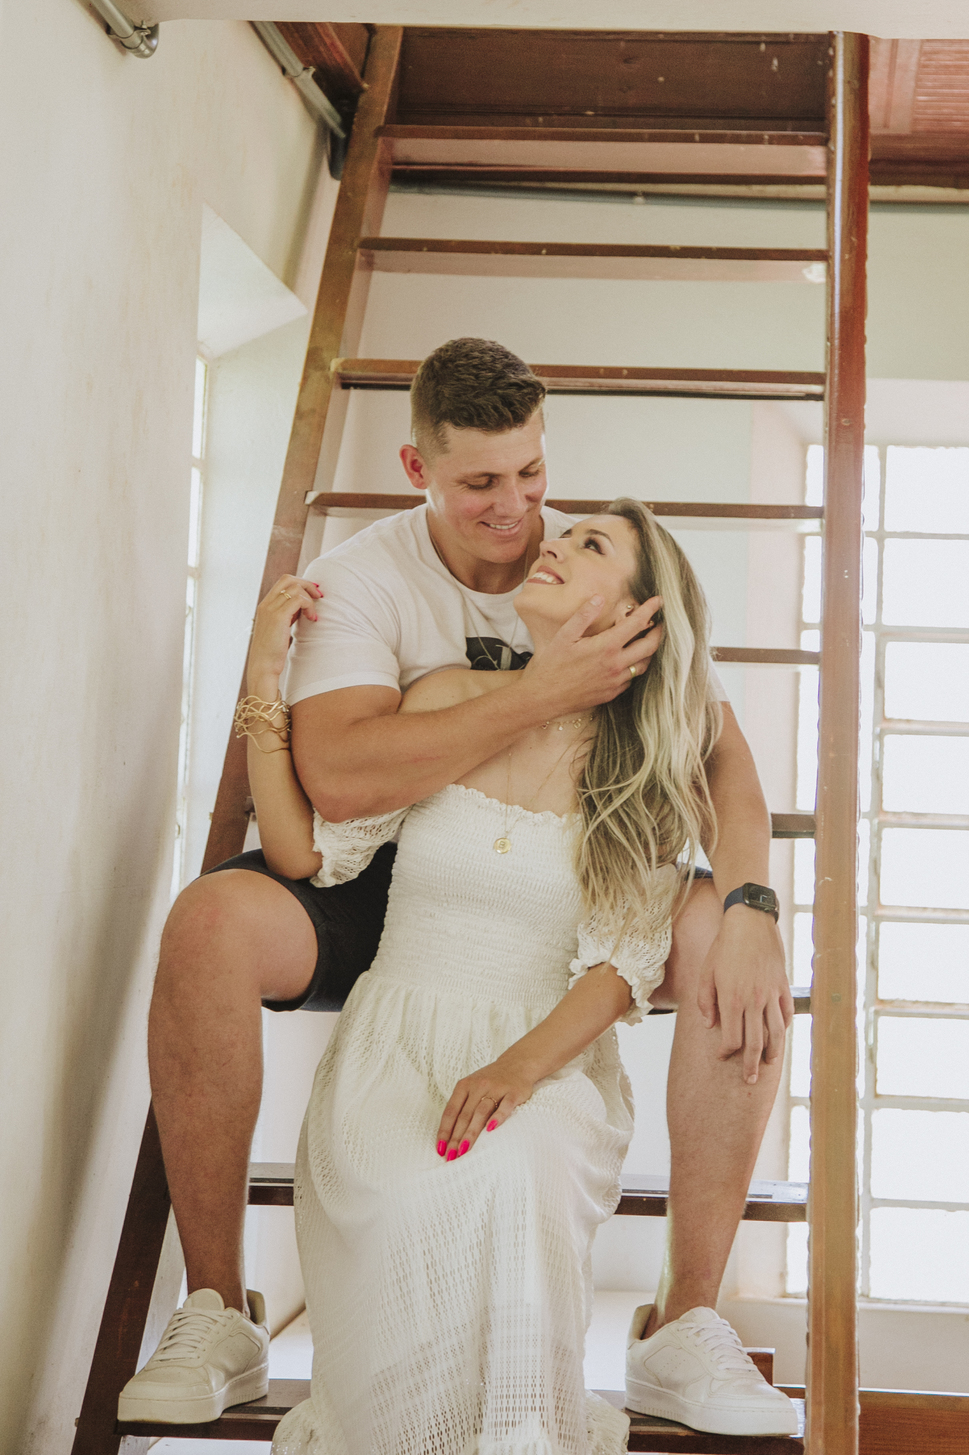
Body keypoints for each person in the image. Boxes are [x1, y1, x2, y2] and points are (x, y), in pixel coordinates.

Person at [119, 339, 795, 1436]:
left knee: (729, 938)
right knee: (207, 924)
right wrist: (538, 693)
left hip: (563, 886)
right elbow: (338, 785)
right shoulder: (367, 579)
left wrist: (758, 907)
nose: (518, 510)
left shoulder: (594, 571)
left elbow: (712, 750)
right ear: (417, 469)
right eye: (481, 482)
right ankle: (217, 1309)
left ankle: (685, 1323)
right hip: (395, 860)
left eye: (532, 472)